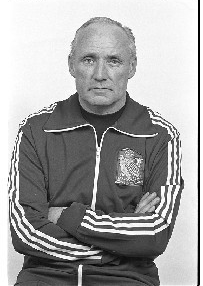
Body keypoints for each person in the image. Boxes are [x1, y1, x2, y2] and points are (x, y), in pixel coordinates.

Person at [9, 17, 184, 286]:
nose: (100, 74)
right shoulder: (36, 130)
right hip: (46, 278)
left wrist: (66, 216)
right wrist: (121, 243)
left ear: (132, 67)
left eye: (114, 60)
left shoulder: (159, 135)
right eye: (88, 59)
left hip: (127, 280)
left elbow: (155, 233)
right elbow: (26, 232)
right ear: (71, 65)